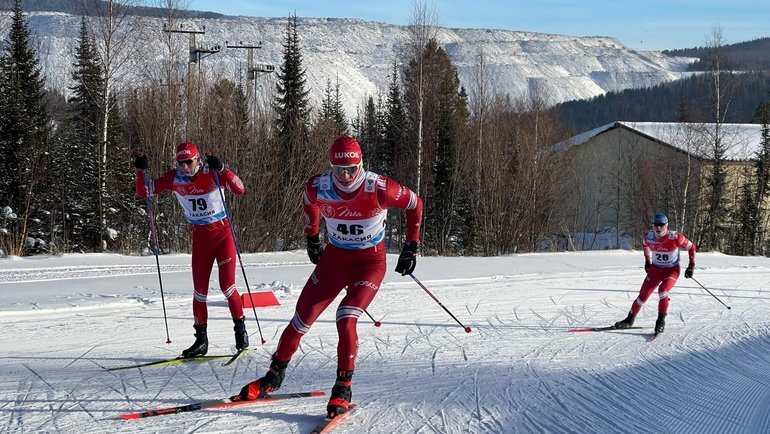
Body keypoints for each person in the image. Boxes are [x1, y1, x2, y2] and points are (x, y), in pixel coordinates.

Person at [236, 135, 423, 418]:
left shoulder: (379, 188)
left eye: (352, 169)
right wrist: (312, 237)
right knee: (300, 320)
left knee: (345, 316)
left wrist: (410, 247)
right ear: (330, 167)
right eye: (339, 170)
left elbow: (415, 204)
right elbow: (308, 204)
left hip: (369, 262)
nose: (346, 176)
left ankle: (343, 388)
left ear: (361, 163)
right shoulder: (319, 185)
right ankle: (273, 377)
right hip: (335, 259)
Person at [134, 141, 249, 357]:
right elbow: (144, 192)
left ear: (197, 160)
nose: (184, 167)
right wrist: (141, 170)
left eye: (188, 162)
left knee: (227, 287)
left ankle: (241, 333)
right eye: (181, 163)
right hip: (200, 238)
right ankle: (201, 341)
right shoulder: (174, 178)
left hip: (223, 235)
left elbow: (240, 189)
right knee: (199, 292)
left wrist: (223, 167)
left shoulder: (211, 173)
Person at [614, 213, 696, 334]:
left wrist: (691, 266)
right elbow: (645, 247)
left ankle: (660, 321)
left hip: (671, 270)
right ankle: (629, 320)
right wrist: (647, 261)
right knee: (643, 296)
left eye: (661, 225)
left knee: (663, 290)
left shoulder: (675, 237)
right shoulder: (648, 236)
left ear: (666, 225)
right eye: (656, 225)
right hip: (655, 270)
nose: (658, 228)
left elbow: (691, 247)